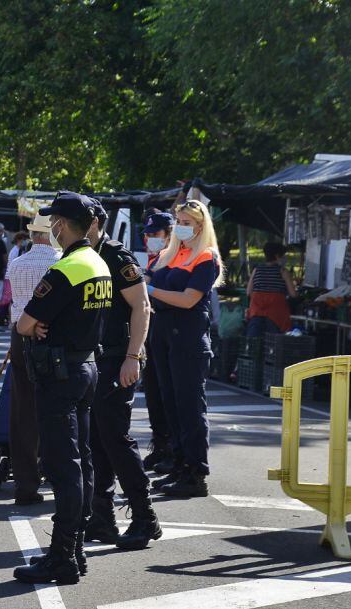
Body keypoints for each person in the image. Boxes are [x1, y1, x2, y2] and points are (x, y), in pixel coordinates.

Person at [13, 192, 111, 586]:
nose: (52, 227)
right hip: (86, 366)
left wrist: (31, 324)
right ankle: (76, 548)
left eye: (55, 221)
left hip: (59, 374)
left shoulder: (66, 268)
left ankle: (62, 557)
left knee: (62, 465)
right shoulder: (98, 263)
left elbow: (24, 323)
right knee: (82, 460)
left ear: (63, 225)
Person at [82, 202, 161, 550]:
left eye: (66, 221)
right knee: (96, 440)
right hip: (94, 359)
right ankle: (102, 516)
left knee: (115, 438)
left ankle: (145, 517)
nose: (59, 228)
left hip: (117, 359)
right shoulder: (83, 256)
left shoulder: (115, 254)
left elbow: (142, 306)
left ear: (96, 223)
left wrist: (133, 356)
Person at [146, 199, 224, 498]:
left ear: (201, 226)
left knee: (190, 407)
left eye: (187, 222)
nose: (180, 226)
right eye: (179, 220)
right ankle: (179, 465)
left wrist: (150, 290)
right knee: (171, 404)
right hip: (163, 334)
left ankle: (195, 472)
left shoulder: (206, 256)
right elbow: (147, 278)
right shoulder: (170, 254)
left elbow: (189, 299)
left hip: (188, 337)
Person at [5, 213, 58, 506]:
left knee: (23, 410)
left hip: (20, 334)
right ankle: (53, 470)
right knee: (57, 407)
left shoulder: (17, 262)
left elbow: (15, 299)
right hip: (52, 335)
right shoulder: (61, 262)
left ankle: (25, 483)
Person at [140, 212, 176, 473]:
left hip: (171, 334)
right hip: (152, 336)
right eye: (148, 234)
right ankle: (161, 444)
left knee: (168, 396)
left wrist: (147, 290)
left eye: (156, 234)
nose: (150, 238)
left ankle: (174, 450)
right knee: (153, 393)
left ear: (169, 235)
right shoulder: (153, 260)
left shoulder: (175, 260)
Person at [245, 242, 296, 336]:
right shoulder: (283, 272)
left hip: (256, 312)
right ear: (277, 256)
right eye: (283, 256)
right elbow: (293, 294)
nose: (284, 258)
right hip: (276, 316)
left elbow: (248, 292)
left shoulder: (256, 270)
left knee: (254, 343)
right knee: (273, 344)